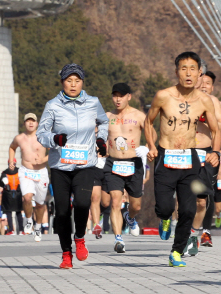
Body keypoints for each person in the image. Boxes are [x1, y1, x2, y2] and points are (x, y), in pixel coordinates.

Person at [144, 51, 221, 267]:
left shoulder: (204, 100)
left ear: (199, 73)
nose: (188, 73)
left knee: (189, 209)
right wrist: (151, 146)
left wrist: (214, 153)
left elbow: (215, 131)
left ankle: (176, 253)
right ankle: (165, 219)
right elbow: (148, 122)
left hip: (190, 158)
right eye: (184, 69)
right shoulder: (163, 96)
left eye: (193, 69)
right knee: (165, 207)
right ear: (177, 71)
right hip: (166, 157)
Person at [36, 63, 109, 269]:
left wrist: (101, 140)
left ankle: (79, 238)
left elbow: (103, 122)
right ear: (62, 82)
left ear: (82, 82)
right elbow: (41, 133)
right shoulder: (53, 105)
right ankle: (66, 253)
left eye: (77, 81)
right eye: (69, 81)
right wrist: (55, 138)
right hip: (60, 165)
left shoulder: (93, 102)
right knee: (61, 212)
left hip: (85, 163)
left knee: (83, 204)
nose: (73, 85)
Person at [186, 65, 221, 254]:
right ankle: (182, 229)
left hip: (206, 153)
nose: (201, 81)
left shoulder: (213, 102)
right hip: (184, 153)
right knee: (184, 199)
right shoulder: (179, 99)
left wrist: (206, 117)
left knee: (202, 200)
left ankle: (196, 234)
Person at [104, 83, 147, 253]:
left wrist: (148, 147)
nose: (117, 99)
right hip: (113, 162)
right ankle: (118, 239)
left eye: (121, 95)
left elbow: (152, 133)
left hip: (133, 163)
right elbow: (95, 134)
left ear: (129, 96)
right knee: (115, 201)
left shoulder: (138, 115)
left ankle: (130, 217)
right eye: (115, 95)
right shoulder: (106, 116)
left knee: (135, 205)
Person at [8, 113, 49, 241]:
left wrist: (43, 160)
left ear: (37, 123)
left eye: (33, 121)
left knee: (40, 204)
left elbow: (55, 150)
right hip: (25, 171)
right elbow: (12, 147)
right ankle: (29, 220)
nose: (30, 123)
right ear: (24, 123)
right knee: (27, 197)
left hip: (40, 172)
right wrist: (11, 160)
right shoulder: (19, 138)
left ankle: (38, 227)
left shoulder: (43, 137)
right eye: (28, 121)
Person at [0, 165, 23, 235]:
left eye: (13, 164)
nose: (12, 166)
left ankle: (21, 230)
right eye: (10, 164)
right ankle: (11, 230)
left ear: (15, 164)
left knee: (18, 212)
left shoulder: (20, 171)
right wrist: (3, 181)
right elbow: (0, 184)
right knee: (8, 212)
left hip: (18, 192)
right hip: (8, 193)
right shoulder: (4, 173)